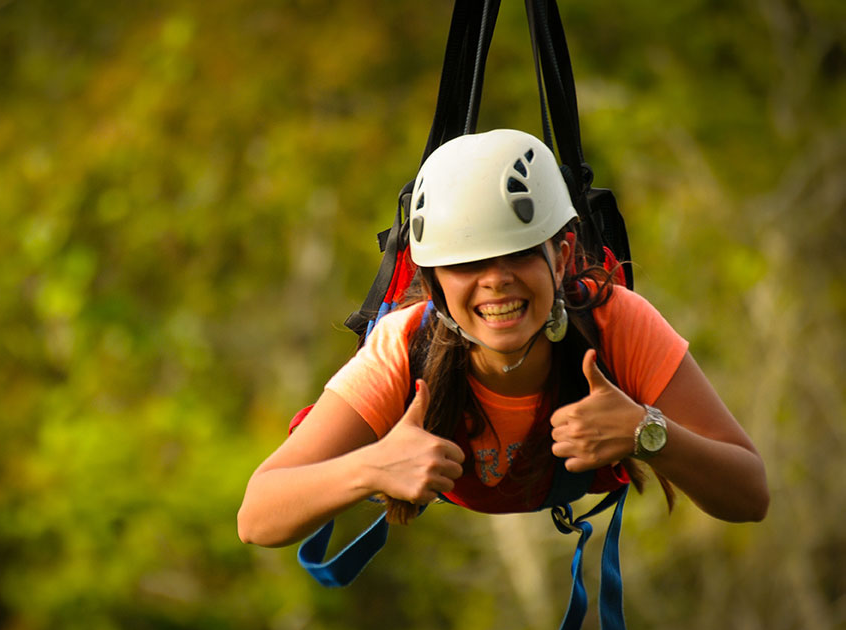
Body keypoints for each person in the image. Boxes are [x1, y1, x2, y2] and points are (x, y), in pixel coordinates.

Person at [237, 129, 768, 549]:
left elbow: (751, 493)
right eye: (466, 263)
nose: (495, 279)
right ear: (434, 282)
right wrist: (370, 467)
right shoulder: (404, 346)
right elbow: (258, 515)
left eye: (517, 254)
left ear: (561, 258)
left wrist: (648, 431)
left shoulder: (616, 323)